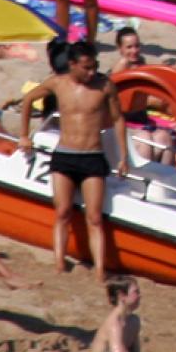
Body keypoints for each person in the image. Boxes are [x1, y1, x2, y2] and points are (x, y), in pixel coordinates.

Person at [17, 37, 121, 291]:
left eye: (94, 66)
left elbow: (119, 119)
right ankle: (59, 264)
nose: (92, 71)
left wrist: (125, 157)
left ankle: (98, 271)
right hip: (65, 154)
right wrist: (24, 135)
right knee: (62, 212)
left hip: (93, 155)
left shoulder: (105, 86)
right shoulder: (58, 83)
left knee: (95, 218)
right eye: (86, 67)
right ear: (72, 64)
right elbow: (29, 99)